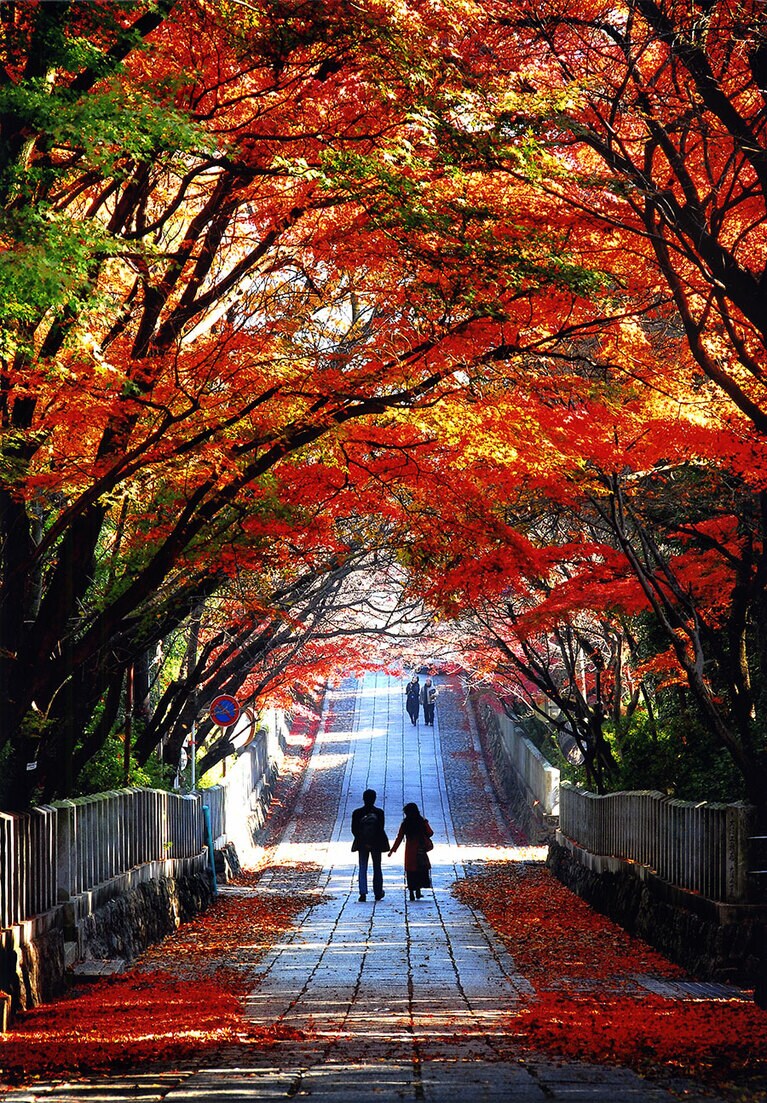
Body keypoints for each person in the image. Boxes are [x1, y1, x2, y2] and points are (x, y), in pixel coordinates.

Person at [388, 801, 434, 901]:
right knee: (420, 870)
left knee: (411, 871)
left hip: (410, 850)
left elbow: (399, 838)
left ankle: (411, 893)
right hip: (420, 849)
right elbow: (430, 833)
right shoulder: (422, 822)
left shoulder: (405, 824)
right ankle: (418, 891)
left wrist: (393, 850)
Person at [350, 788, 389, 902]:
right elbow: (380, 829)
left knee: (363, 867)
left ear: (363, 799)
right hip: (376, 844)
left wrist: (364, 841)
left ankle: (363, 893)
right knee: (377, 867)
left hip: (362, 844)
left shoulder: (357, 813)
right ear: (374, 799)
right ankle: (378, 892)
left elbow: (354, 830)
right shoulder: (379, 813)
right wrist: (372, 843)